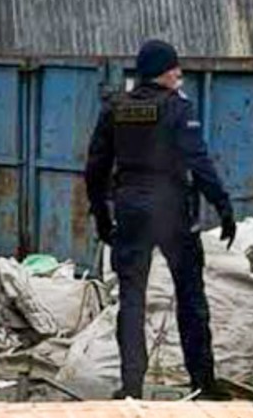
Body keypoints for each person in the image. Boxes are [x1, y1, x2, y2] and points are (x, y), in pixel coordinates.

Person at [84, 39, 236, 400]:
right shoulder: (177, 109)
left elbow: (96, 167)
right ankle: (203, 383)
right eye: (175, 70)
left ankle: (131, 386)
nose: (179, 75)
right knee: (190, 296)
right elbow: (199, 163)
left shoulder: (116, 108)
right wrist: (224, 207)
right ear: (162, 73)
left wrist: (101, 214)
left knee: (132, 299)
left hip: (130, 209)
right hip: (171, 212)